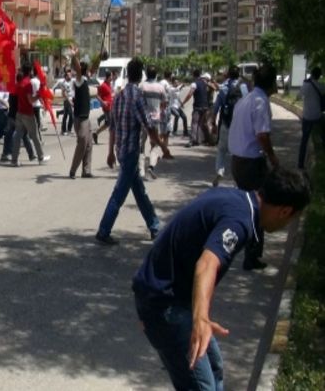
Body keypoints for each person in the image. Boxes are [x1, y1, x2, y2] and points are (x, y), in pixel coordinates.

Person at [133, 167, 310, 390]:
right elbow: (207, 263)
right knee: (202, 387)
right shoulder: (240, 222)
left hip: (168, 297)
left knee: (214, 370)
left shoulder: (237, 199)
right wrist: (200, 321)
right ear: (285, 211)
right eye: (293, 218)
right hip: (164, 304)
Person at [96, 58, 172, 245]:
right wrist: (163, 147)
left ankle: (154, 226)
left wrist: (110, 152)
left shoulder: (120, 96)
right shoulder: (137, 97)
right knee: (119, 193)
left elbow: (112, 126)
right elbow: (148, 126)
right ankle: (103, 230)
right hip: (129, 152)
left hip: (121, 149)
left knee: (139, 191)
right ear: (140, 75)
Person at [228, 65, 279, 271]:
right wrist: (273, 158)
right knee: (260, 209)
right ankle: (252, 256)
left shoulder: (246, 99)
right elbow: (262, 135)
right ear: (271, 83)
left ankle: (242, 248)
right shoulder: (260, 101)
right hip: (251, 163)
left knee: (248, 208)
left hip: (238, 161)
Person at [211, 65, 248, 187]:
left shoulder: (224, 88)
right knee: (237, 153)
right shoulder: (243, 88)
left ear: (228, 75)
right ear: (239, 75)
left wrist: (213, 122)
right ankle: (237, 180)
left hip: (226, 123)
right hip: (240, 125)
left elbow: (216, 108)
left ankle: (220, 171)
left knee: (221, 150)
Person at [12, 64, 49, 166]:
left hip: (19, 113)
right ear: (30, 71)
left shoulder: (20, 83)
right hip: (27, 113)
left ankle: (14, 160)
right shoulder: (27, 83)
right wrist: (38, 95)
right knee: (35, 136)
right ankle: (41, 157)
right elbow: (30, 100)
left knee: (18, 136)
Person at [68, 47, 95, 179]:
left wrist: (100, 58)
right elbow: (78, 69)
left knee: (89, 144)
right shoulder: (79, 80)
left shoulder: (86, 78)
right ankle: (73, 170)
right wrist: (74, 56)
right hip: (80, 118)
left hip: (86, 118)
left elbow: (94, 67)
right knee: (83, 142)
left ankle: (86, 170)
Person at [138, 66, 168, 180]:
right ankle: (151, 166)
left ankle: (141, 171)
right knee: (155, 144)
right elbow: (164, 103)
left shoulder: (142, 86)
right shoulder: (160, 87)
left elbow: (138, 102)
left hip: (143, 120)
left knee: (141, 145)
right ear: (156, 75)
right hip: (155, 119)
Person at [298, 66, 325, 169]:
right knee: (322, 134)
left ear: (312, 74)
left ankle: (300, 164)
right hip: (317, 116)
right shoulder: (321, 86)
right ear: (319, 76)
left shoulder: (306, 85)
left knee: (304, 140)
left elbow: (299, 96)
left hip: (307, 117)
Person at [182, 69, 216, 147]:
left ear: (193, 75)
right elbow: (214, 88)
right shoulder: (205, 83)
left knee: (195, 123)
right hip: (205, 106)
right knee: (201, 124)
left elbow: (190, 94)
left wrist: (183, 102)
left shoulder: (194, 84)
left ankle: (193, 140)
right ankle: (200, 140)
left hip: (198, 106)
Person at [93, 69, 114, 145]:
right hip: (106, 108)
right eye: (111, 76)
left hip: (111, 106)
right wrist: (102, 102)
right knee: (111, 123)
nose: (112, 77)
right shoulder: (103, 85)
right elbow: (97, 95)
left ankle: (95, 133)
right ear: (108, 77)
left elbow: (109, 95)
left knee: (108, 123)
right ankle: (113, 139)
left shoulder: (109, 85)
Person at [55, 69, 75, 135]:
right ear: (66, 76)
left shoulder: (72, 81)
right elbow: (64, 93)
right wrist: (70, 102)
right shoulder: (63, 83)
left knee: (65, 115)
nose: (70, 76)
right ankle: (67, 130)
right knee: (71, 115)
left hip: (71, 99)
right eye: (69, 75)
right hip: (67, 100)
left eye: (71, 75)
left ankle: (64, 130)